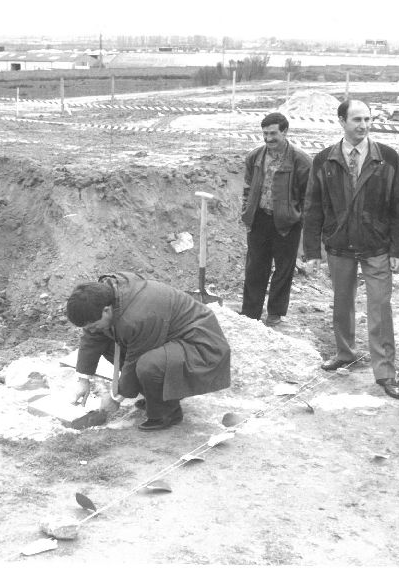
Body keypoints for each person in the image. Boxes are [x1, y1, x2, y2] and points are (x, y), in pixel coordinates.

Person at [303, 99, 399, 400]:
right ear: (341, 121)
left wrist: (398, 250)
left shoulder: (387, 157)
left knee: (379, 308)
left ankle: (386, 372)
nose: (363, 125)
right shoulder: (324, 160)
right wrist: (312, 250)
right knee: (342, 303)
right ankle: (344, 353)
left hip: (376, 246)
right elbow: (313, 207)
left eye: (367, 119)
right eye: (357, 120)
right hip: (339, 245)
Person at [65, 272, 231, 431]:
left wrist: (115, 397)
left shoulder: (137, 317)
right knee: (107, 343)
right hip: (168, 337)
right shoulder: (103, 296)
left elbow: (134, 359)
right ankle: (154, 396)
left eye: (93, 325)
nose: (92, 330)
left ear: (107, 310)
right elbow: (92, 336)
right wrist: (83, 379)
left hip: (201, 346)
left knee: (148, 365)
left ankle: (167, 413)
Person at [240, 112, 312, 326]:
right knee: (255, 267)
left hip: (286, 224)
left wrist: (298, 218)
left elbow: (309, 195)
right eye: (265, 133)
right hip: (259, 219)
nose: (268, 138)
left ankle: (275, 313)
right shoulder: (255, 156)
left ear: (285, 132)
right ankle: (250, 313)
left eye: (273, 133)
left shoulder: (301, 160)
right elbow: (247, 186)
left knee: (283, 269)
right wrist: (246, 210)